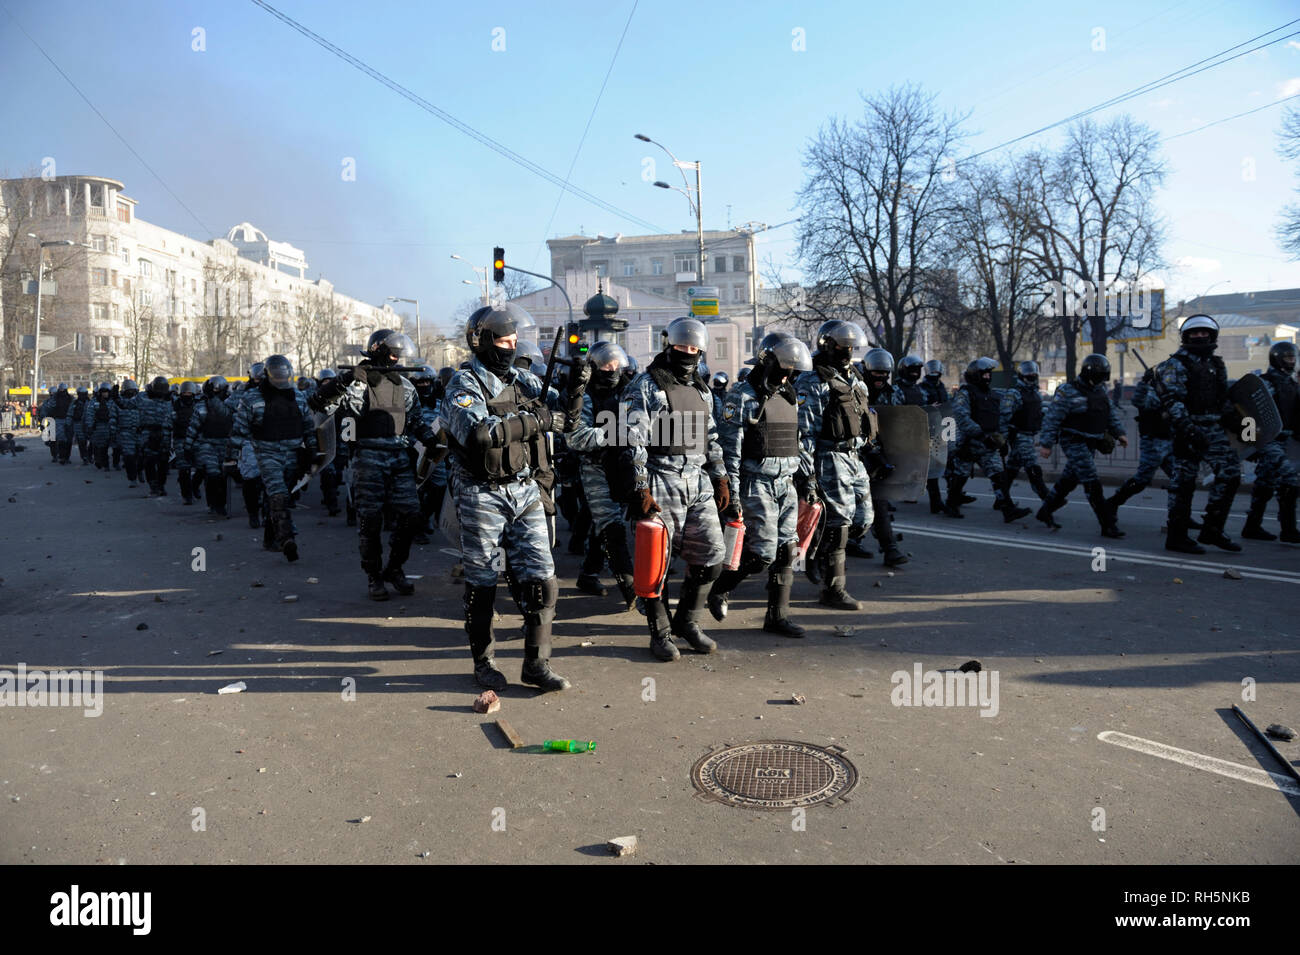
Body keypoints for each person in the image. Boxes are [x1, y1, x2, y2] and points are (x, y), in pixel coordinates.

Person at [443, 304, 579, 692]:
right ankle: (483, 662)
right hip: (480, 494)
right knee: (483, 581)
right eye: (504, 340)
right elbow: (481, 434)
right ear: (482, 341)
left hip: (524, 489)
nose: (511, 345)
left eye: (514, 339)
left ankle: (537, 664)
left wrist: (578, 387)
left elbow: (565, 416)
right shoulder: (464, 384)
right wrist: (538, 421)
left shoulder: (524, 380)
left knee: (542, 579)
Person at [622, 317, 730, 659]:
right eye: (681, 347)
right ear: (669, 346)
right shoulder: (645, 385)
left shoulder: (702, 389)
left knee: (713, 554)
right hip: (660, 476)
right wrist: (640, 488)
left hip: (697, 481)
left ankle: (687, 621)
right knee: (657, 563)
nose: (687, 353)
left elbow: (711, 436)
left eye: (694, 348)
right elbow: (633, 439)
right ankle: (661, 633)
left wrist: (721, 476)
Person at [310, 330, 437, 599]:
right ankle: (373, 576)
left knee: (412, 515)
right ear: (377, 349)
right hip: (368, 458)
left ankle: (394, 568)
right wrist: (342, 381)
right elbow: (318, 403)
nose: (396, 357)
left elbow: (414, 420)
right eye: (392, 352)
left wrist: (431, 439)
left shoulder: (405, 385)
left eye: (398, 353)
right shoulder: (357, 383)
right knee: (370, 520)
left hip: (399, 458)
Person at [709, 331, 814, 636]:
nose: (788, 375)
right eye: (784, 369)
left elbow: (798, 441)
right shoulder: (742, 395)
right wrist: (731, 491)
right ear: (767, 364)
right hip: (757, 482)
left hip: (786, 482)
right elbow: (730, 448)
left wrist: (808, 477)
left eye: (792, 371)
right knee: (762, 554)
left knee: (787, 551)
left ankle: (777, 617)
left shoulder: (788, 395)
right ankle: (719, 588)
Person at [796, 320, 872, 610]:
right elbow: (804, 433)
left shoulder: (855, 376)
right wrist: (809, 474)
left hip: (854, 457)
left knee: (863, 520)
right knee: (839, 521)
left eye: (852, 346)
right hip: (829, 457)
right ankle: (833, 588)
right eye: (843, 345)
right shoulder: (812, 381)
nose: (849, 351)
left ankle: (817, 552)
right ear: (828, 345)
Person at [1154, 315, 1241, 553]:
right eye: (1195, 333)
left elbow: (1222, 399)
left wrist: (1237, 423)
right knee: (1184, 483)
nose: (1200, 336)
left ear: (1212, 336)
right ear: (1186, 336)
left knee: (1231, 475)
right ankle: (1176, 536)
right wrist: (1189, 431)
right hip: (1187, 429)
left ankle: (1212, 529)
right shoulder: (1176, 364)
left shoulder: (1216, 364)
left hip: (1213, 428)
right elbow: (1172, 402)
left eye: (1205, 333)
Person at [566, 340, 638, 607]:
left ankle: (588, 573)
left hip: (622, 465)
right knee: (611, 526)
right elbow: (577, 437)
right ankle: (630, 588)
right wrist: (618, 435)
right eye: (607, 365)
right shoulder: (583, 396)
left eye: (617, 364)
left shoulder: (629, 392)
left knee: (605, 524)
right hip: (594, 466)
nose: (613, 369)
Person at [231, 355, 316, 561]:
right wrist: (231, 457)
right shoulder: (252, 398)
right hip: (267, 452)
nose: (280, 379)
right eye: (276, 375)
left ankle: (270, 538)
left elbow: (308, 426)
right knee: (278, 495)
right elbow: (239, 428)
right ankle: (286, 538)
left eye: (283, 375)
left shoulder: (297, 397)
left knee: (280, 497)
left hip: (293, 454)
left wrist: (313, 451)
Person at [1035, 354, 1128, 538]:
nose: (1102, 380)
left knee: (1070, 479)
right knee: (1091, 479)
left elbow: (1110, 416)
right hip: (1073, 440)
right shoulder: (1067, 391)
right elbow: (1053, 418)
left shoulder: (1100, 391)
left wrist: (1120, 433)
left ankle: (1045, 511)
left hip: (1091, 442)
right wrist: (1046, 444)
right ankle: (1107, 524)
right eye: (1100, 375)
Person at [943, 358, 1032, 523]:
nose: (987, 377)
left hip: (988, 444)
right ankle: (951, 504)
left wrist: (1002, 441)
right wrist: (980, 435)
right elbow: (962, 418)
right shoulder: (965, 393)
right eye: (984, 374)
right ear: (975, 375)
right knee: (960, 475)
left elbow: (996, 419)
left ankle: (1008, 509)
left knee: (999, 476)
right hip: (969, 444)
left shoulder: (991, 395)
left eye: (988, 374)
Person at [1106, 367, 1187, 524]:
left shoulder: (1173, 393)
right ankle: (1113, 503)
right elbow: (1138, 401)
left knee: (1179, 479)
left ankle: (1180, 516)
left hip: (1168, 442)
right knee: (1142, 480)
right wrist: (1144, 383)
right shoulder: (1152, 392)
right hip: (1153, 443)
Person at [1241, 341, 1299, 543]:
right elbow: (1251, 412)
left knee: (1265, 484)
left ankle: (1252, 526)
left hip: (1285, 441)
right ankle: (1289, 530)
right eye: (1287, 358)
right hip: (1269, 441)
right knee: (1290, 481)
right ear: (1276, 358)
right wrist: (1252, 444)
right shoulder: (1266, 383)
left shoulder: (1291, 383)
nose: (1291, 362)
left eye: (1293, 358)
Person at [858, 348, 909, 566]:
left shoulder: (892, 393)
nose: (880, 378)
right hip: (854, 453)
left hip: (877, 455)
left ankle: (889, 547)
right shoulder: (856, 390)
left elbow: (899, 422)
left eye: (884, 373)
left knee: (878, 501)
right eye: (876, 373)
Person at [998, 361, 1051, 503]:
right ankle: (1047, 497)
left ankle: (1000, 499)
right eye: (1028, 374)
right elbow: (1004, 416)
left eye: (1034, 374)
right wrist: (1002, 440)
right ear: (1021, 375)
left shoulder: (1035, 393)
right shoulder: (1014, 393)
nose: (1031, 376)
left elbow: (1038, 413)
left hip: (1030, 433)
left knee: (1012, 468)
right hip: (1019, 435)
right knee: (1032, 465)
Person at [185, 376, 236, 517]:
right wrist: (187, 446)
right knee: (213, 474)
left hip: (224, 445)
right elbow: (193, 427)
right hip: (206, 444)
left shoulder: (229, 405)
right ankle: (213, 504)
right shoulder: (201, 407)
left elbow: (231, 421)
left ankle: (221, 504)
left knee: (223, 476)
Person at [137, 376, 176, 496]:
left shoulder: (171, 399)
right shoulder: (143, 398)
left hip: (164, 433)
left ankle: (161, 485)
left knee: (163, 461)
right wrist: (117, 398)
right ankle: (153, 485)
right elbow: (126, 404)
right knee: (149, 460)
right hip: (148, 433)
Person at [172, 381, 202, 504]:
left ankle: (194, 486)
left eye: (189, 392)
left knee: (201, 467)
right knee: (184, 469)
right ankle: (187, 495)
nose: (187, 394)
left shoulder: (199, 405)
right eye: (184, 392)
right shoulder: (175, 405)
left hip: (197, 439)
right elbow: (169, 421)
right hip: (181, 439)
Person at [115, 380, 142, 486]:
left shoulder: (141, 401)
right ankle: (132, 478)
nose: (131, 392)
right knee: (129, 456)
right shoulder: (119, 402)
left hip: (140, 431)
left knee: (141, 455)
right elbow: (114, 416)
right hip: (126, 432)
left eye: (133, 390)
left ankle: (139, 471)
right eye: (128, 390)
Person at [84, 382, 116, 471]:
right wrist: (89, 426)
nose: (104, 393)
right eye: (103, 392)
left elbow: (117, 413)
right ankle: (99, 461)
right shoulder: (94, 401)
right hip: (97, 427)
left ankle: (107, 464)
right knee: (97, 446)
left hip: (109, 426)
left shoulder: (113, 401)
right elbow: (90, 414)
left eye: (106, 391)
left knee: (106, 447)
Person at [71, 386, 91, 464]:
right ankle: (84, 457)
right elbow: (70, 413)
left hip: (88, 423)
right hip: (78, 424)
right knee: (81, 442)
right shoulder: (75, 403)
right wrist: (69, 423)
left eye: (84, 394)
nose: (82, 396)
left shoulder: (90, 402)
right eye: (81, 394)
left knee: (91, 442)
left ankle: (89, 455)